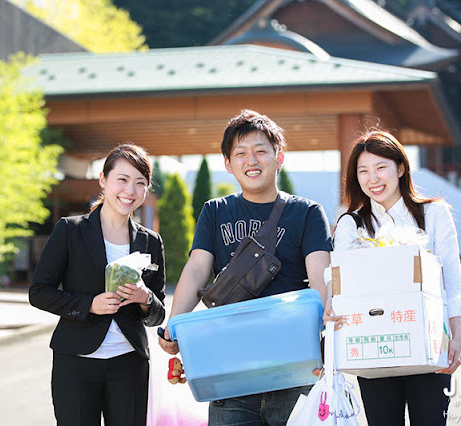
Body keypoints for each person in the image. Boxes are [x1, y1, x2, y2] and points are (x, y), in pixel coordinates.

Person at [158, 109, 333, 425]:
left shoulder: (307, 213)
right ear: (228, 164)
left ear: (278, 158)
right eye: (240, 153)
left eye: (260, 151)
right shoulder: (215, 211)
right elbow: (197, 268)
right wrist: (173, 324)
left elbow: (322, 279)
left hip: (293, 371)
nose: (251, 161)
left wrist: (325, 339)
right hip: (229, 373)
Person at [324, 130, 461, 426]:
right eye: (363, 171)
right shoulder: (351, 224)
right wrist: (330, 303)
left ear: (401, 168)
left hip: (429, 349)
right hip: (373, 351)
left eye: (381, 168)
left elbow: (451, 276)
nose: (372, 179)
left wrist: (457, 335)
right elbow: (340, 282)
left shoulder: (434, 213)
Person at [29, 143, 166, 426]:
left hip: (130, 364)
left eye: (140, 183)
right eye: (123, 180)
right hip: (76, 363)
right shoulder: (71, 230)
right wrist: (89, 304)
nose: (130, 190)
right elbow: (39, 292)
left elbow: (158, 311)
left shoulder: (151, 241)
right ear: (103, 180)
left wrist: (144, 298)